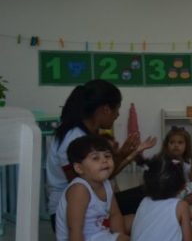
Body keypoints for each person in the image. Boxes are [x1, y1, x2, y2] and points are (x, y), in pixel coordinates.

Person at [47, 79, 156, 231]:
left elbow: (99, 177)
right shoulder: (74, 138)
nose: (117, 115)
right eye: (117, 109)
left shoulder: (84, 132)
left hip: (88, 204)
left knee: (151, 191)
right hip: (71, 214)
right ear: (106, 109)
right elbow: (85, 186)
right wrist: (125, 157)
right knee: (148, 200)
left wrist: (123, 155)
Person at [55, 134, 130, 241]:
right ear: (79, 168)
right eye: (95, 158)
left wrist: (119, 236)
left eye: (107, 156)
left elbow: (115, 215)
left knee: (136, 220)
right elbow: (74, 228)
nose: (104, 161)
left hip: (99, 234)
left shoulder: (106, 184)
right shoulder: (79, 189)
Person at [160, 126, 192, 205]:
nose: (176, 145)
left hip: (186, 190)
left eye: (180, 142)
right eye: (172, 142)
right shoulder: (164, 160)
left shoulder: (188, 161)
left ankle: (178, 201)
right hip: (170, 190)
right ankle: (176, 201)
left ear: (186, 145)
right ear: (167, 145)